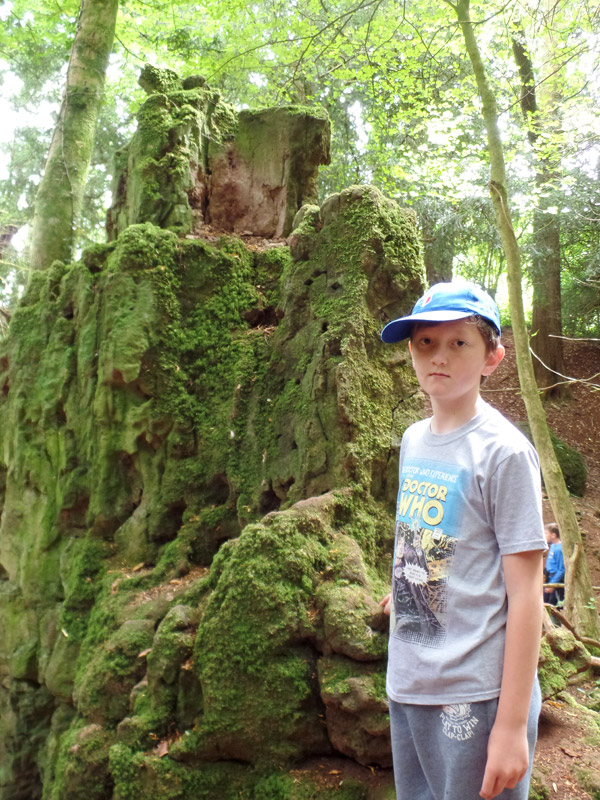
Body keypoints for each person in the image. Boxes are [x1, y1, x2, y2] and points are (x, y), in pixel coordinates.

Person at [379, 282, 547, 800]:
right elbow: (431, 538)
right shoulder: (413, 439)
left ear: (492, 357)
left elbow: (527, 594)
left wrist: (512, 726)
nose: (439, 357)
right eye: (425, 343)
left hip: (476, 695)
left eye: (459, 343)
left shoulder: (504, 454)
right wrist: (406, 594)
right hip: (408, 682)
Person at [543, 522, 564, 605]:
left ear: (553, 535)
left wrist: (553, 584)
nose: (544, 535)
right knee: (545, 602)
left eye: (546, 533)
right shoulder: (552, 546)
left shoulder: (559, 549)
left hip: (556, 580)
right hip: (549, 578)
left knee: (553, 605)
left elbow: (561, 569)